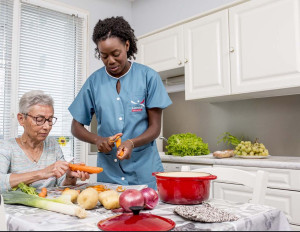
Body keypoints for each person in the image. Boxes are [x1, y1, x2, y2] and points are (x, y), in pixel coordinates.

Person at [68, 16, 172, 189]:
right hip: (109, 176)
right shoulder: (94, 82)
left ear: (127, 46)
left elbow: (155, 129)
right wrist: (97, 140)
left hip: (145, 175)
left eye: (116, 54)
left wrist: (131, 143)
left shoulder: (148, 77)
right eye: (104, 56)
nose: (110, 60)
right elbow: (75, 127)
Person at [0, 90, 90, 193]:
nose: (47, 127)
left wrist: (69, 178)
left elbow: (61, 185)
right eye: (39, 119)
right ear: (21, 119)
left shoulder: (53, 145)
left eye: (50, 120)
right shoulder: (6, 147)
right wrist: (41, 173)